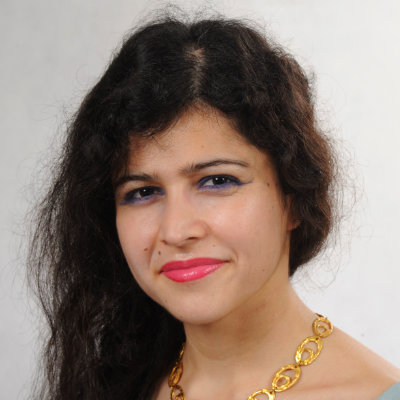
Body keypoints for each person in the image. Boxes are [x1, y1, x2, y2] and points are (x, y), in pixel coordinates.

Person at [28, 12, 400, 400]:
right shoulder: (109, 385)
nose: (175, 230)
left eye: (218, 181)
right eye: (143, 192)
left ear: (294, 198)